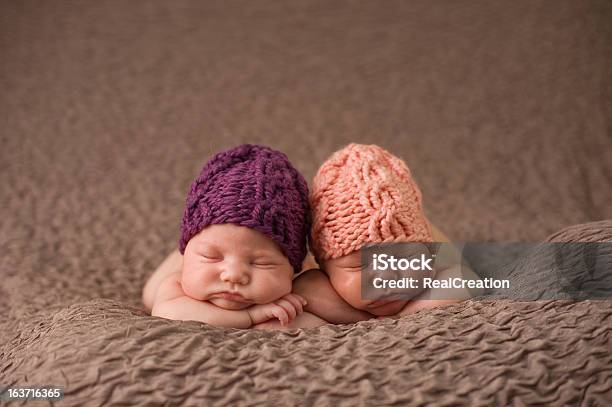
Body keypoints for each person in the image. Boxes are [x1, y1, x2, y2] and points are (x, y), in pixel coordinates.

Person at [143, 144, 325, 328]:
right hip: (178, 265)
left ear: (293, 269)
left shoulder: (301, 281)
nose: (233, 275)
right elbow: (168, 313)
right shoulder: (177, 283)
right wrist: (250, 317)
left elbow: (326, 321)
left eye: (260, 262)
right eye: (211, 257)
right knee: (151, 294)